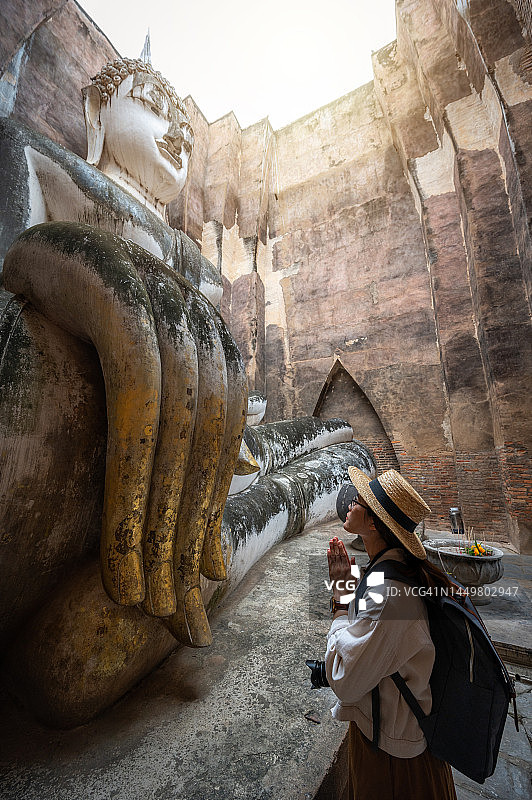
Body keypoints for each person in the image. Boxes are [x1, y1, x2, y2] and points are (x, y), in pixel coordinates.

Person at [326, 467, 457, 800]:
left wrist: (341, 605)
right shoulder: (389, 569)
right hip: (388, 735)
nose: (348, 506)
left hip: (393, 757)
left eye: (356, 502)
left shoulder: (389, 597)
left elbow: (346, 681)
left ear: (373, 524)